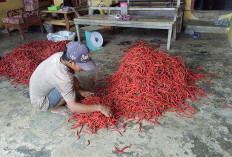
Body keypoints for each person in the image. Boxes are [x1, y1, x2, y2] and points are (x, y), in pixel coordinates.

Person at [29, 41, 112, 117]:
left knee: (71, 81)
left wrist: (80, 91)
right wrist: (100, 107)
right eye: (81, 65)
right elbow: (73, 107)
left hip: (38, 92)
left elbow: (70, 75)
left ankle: (74, 93)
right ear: (71, 63)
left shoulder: (60, 56)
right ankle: (55, 107)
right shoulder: (64, 78)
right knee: (70, 84)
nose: (83, 69)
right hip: (42, 102)